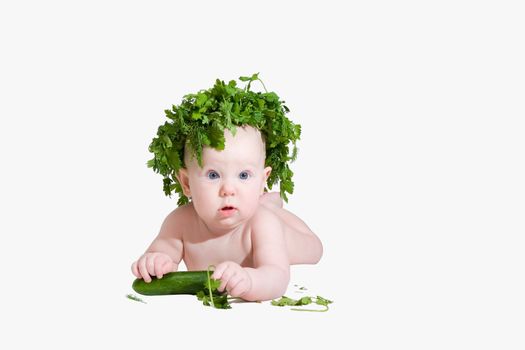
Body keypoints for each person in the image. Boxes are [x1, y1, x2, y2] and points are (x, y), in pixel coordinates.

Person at [131, 125, 323, 302]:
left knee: (314, 249)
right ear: (187, 183)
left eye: (244, 175)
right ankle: (266, 201)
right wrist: (155, 261)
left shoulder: (263, 224)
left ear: (262, 181)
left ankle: (270, 204)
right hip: (255, 208)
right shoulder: (179, 222)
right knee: (258, 207)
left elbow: (277, 275)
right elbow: (163, 251)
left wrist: (250, 281)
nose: (228, 189)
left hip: (285, 233)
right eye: (213, 175)